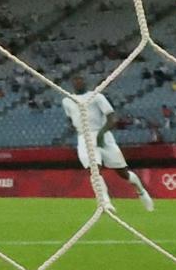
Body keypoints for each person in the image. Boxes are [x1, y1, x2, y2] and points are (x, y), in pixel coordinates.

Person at [63, 75, 154, 212]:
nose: (79, 82)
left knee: (123, 173)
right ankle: (105, 203)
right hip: (84, 138)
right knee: (94, 170)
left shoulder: (96, 97)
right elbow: (70, 118)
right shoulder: (67, 101)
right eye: (75, 80)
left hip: (103, 136)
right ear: (72, 83)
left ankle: (141, 191)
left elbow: (112, 118)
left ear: (85, 82)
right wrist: (75, 127)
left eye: (81, 79)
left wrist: (101, 133)